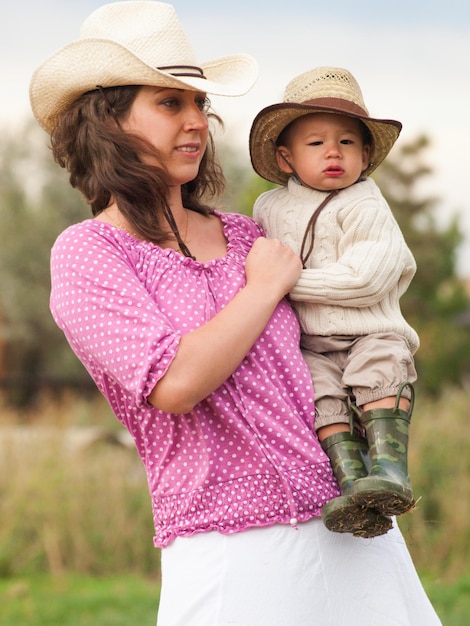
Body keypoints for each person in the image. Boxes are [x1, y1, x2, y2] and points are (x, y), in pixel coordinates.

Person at [29, 4, 441, 624]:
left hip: (350, 527)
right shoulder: (92, 254)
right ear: (106, 119)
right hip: (233, 544)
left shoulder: (250, 234)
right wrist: (264, 288)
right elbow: (175, 384)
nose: (197, 121)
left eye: (199, 103)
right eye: (170, 103)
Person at [249, 66, 419, 539]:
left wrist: (282, 283)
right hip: (310, 342)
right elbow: (254, 259)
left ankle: (389, 471)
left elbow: (366, 279)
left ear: (365, 155)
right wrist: (264, 282)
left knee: (379, 371)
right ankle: (350, 487)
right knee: (320, 398)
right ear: (285, 158)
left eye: (346, 143)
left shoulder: (365, 203)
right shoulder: (267, 208)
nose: (332, 153)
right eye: (315, 143)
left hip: (369, 330)